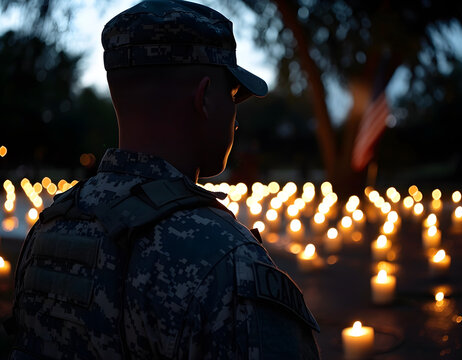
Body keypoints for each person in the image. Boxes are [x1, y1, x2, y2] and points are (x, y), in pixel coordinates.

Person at [9, 0, 321, 358]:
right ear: (204, 98)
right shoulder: (226, 260)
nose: (235, 119)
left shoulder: (49, 229)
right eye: (232, 96)